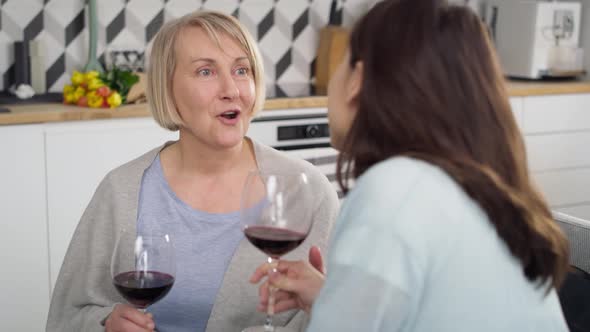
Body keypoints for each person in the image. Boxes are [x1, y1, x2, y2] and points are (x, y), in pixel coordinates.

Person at [250, 0, 571, 331]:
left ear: (357, 79)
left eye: (341, 64)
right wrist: (331, 297)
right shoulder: (478, 188)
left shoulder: (394, 189)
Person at [46, 11, 339, 332]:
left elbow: (346, 316)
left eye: (242, 70)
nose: (232, 89)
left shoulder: (308, 190)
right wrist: (104, 324)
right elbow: (66, 317)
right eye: (205, 71)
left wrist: (325, 304)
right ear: (167, 89)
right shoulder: (121, 190)